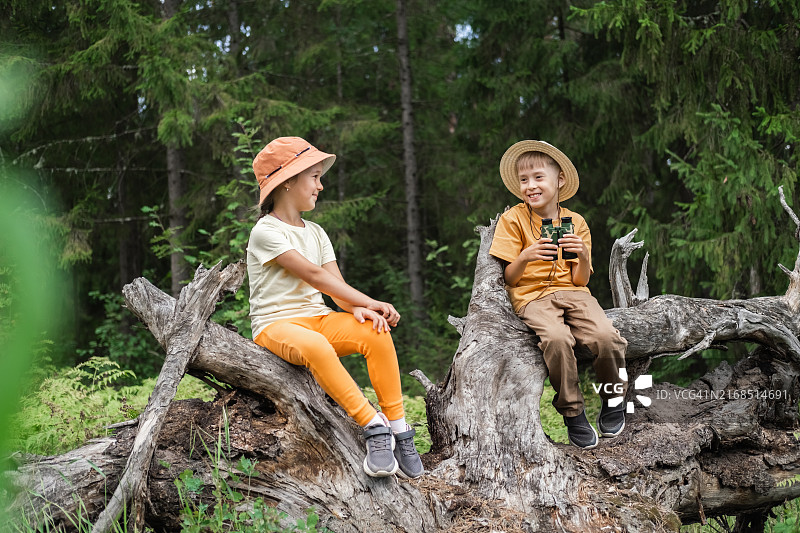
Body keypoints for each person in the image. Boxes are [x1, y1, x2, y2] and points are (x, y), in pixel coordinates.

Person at [246, 136, 423, 478]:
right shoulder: (265, 231)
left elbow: (336, 287)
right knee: (317, 346)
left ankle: (399, 429)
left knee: (375, 331)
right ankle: (374, 426)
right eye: (313, 176)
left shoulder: (316, 232)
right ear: (286, 182)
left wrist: (358, 309)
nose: (320, 185)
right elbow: (314, 275)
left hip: (319, 317)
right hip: (276, 325)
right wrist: (370, 300)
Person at [489, 140, 628, 449]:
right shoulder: (513, 220)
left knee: (606, 335)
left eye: (539, 177)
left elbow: (580, 280)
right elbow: (508, 278)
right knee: (556, 338)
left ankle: (613, 397)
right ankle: (573, 411)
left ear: (559, 180)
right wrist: (526, 256)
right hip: (531, 297)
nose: (530, 186)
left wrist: (583, 256)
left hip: (573, 292)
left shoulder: (576, 223)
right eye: (524, 180)